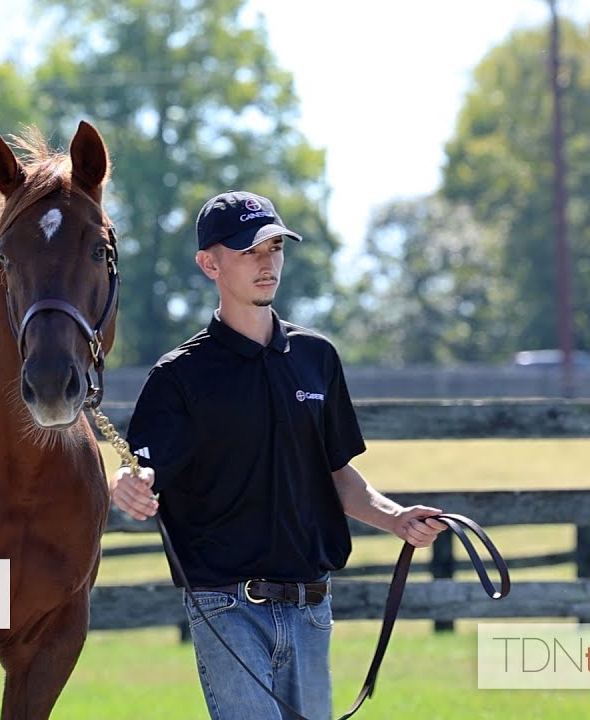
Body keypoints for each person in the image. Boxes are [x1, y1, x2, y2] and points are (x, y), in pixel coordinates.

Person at [110, 190, 447, 720]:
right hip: (226, 608)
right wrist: (124, 483)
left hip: (313, 606)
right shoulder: (178, 377)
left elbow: (337, 473)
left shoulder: (318, 357)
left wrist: (396, 518)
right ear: (209, 263)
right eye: (249, 250)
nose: (267, 263)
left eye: (274, 247)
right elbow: (142, 471)